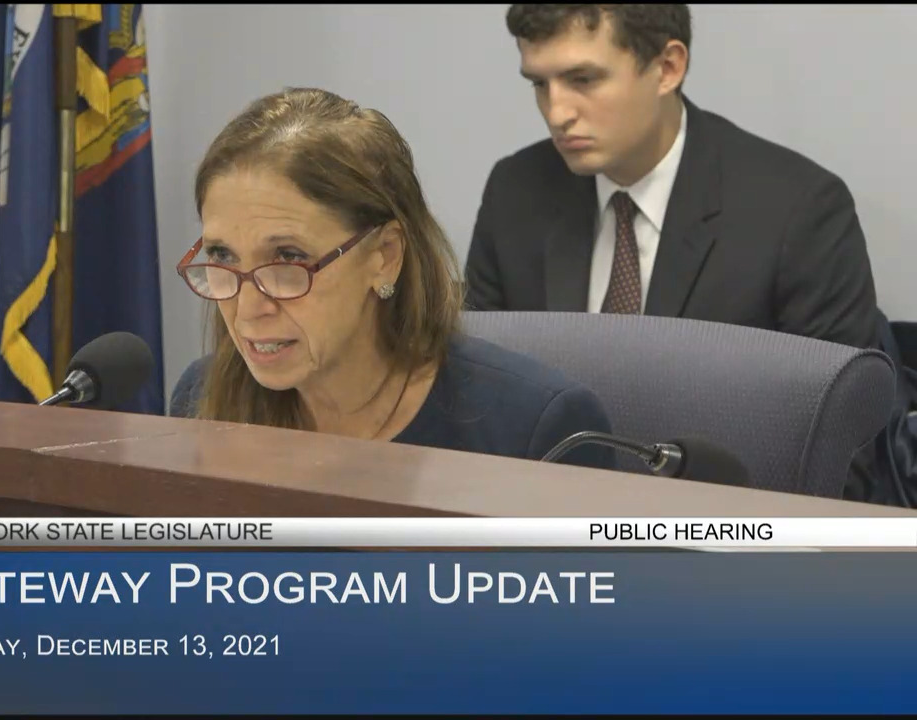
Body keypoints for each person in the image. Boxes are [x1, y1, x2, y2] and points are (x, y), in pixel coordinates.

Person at [169, 87, 614, 470]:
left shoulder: (537, 431)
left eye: (288, 257)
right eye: (222, 256)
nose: (248, 310)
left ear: (384, 256)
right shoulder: (202, 397)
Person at [463, 4, 879, 350]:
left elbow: (841, 417)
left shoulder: (798, 210)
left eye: (583, 80)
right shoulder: (514, 192)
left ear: (667, 67)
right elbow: (478, 385)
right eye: (540, 83)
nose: (557, 113)